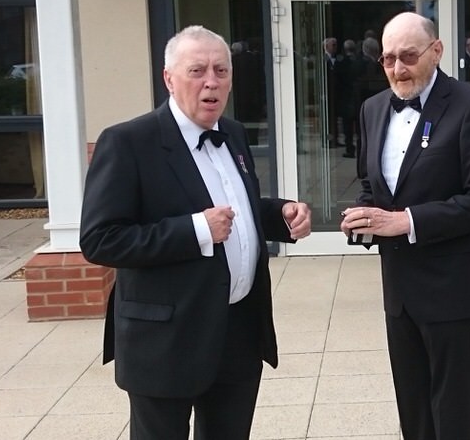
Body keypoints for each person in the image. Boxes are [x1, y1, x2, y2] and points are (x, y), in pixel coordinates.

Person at [80, 25, 313, 440]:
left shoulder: (233, 133)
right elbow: (101, 239)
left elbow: (236, 207)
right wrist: (196, 229)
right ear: (169, 78)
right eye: (197, 70)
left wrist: (281, 214)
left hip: (237, 331)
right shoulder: (127, 142)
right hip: (165, 339)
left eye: (221, 71)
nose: (212, 81)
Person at [340, 12, 470, 440]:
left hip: (454, 290)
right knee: (413, 410)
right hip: (400, 291)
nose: (398, 68)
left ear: (436, 51)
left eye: (408, 56)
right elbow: (371, 185)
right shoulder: (372, 108)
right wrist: (363, 217)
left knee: (453, 412)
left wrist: (406, 221)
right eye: (388, 59)